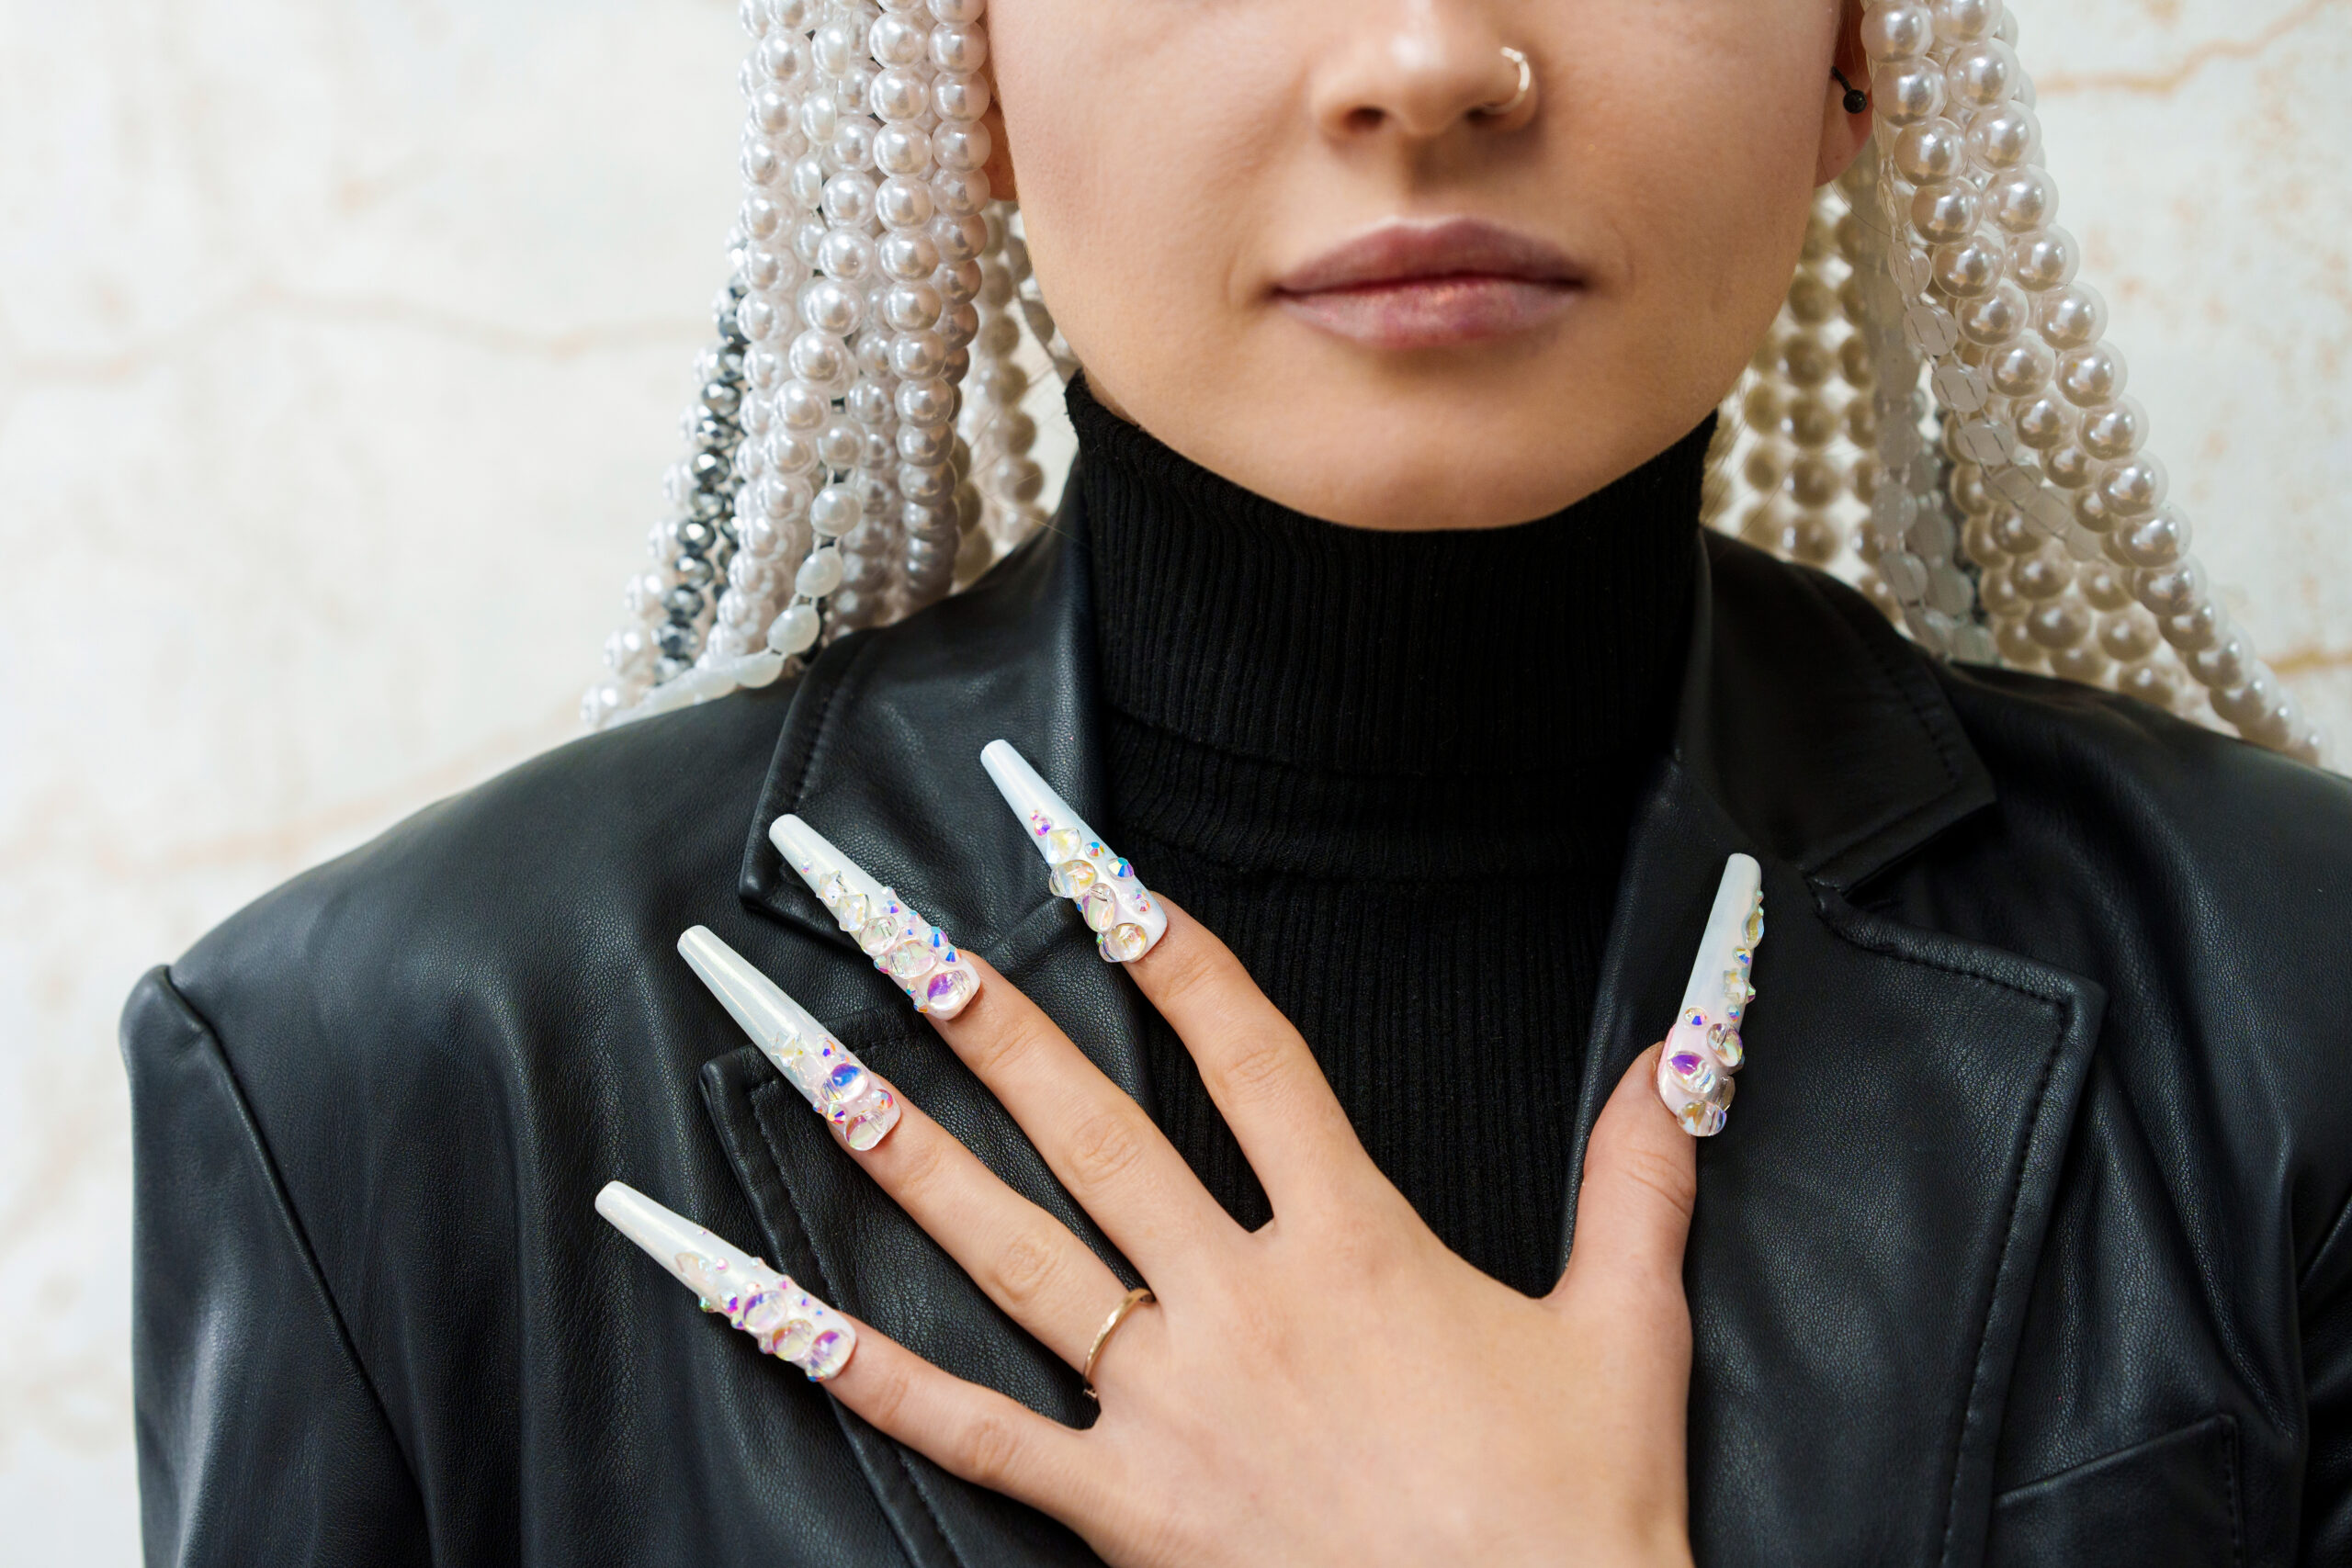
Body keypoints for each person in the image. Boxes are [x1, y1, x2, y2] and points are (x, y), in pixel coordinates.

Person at [122, 0, 2352, 1563]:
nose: (1420, 62)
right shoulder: (382, 1073)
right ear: (950, 53)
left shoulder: (2292, 1006)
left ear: (1868, 40)